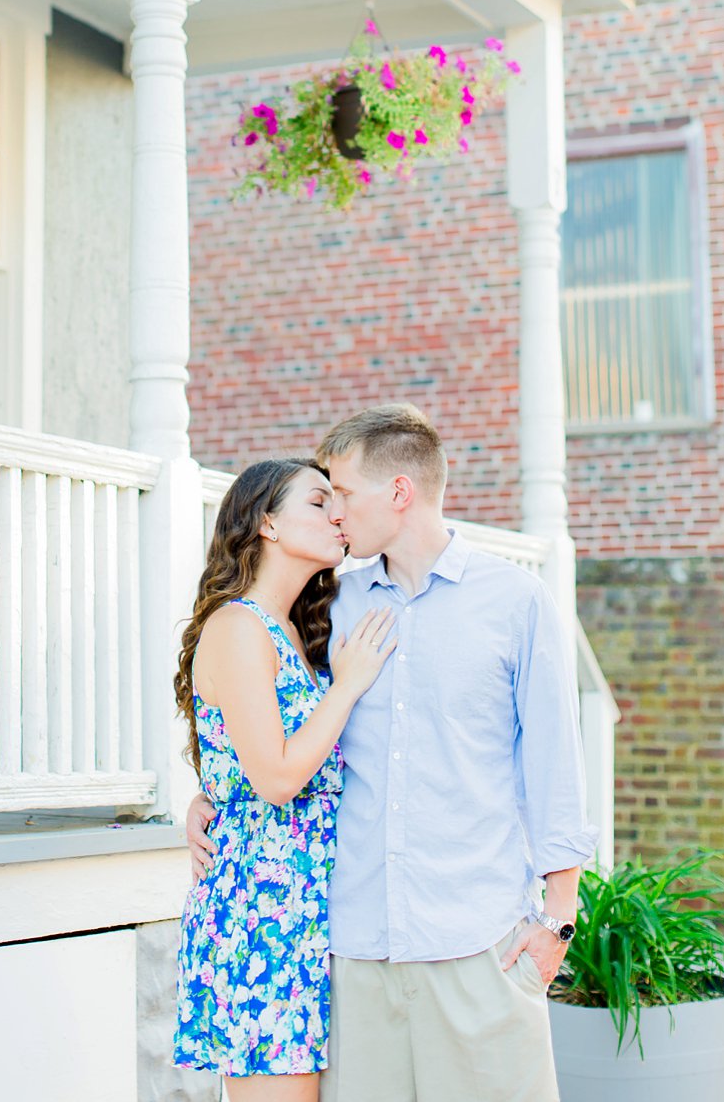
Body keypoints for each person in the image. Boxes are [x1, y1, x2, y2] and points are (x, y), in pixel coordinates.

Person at [187, 405, 596, 1102]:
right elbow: (260, 721)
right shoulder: (329, 608)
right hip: (350, 948)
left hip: (477, 942)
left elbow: (556, 765)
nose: (336, 511)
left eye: (340, 492)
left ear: (398, 493)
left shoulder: (515, 602)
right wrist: (209, 796)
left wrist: (560, 915)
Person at [171, 457, 398, 1099]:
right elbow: (273, 778)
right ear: (267, 522)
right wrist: (348, 687)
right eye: (319, 501)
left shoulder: (294, 632)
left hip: (306, 903)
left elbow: (245, 757)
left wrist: (207, 795)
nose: (338, 514)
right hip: (263, 907)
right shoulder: (239, 625)